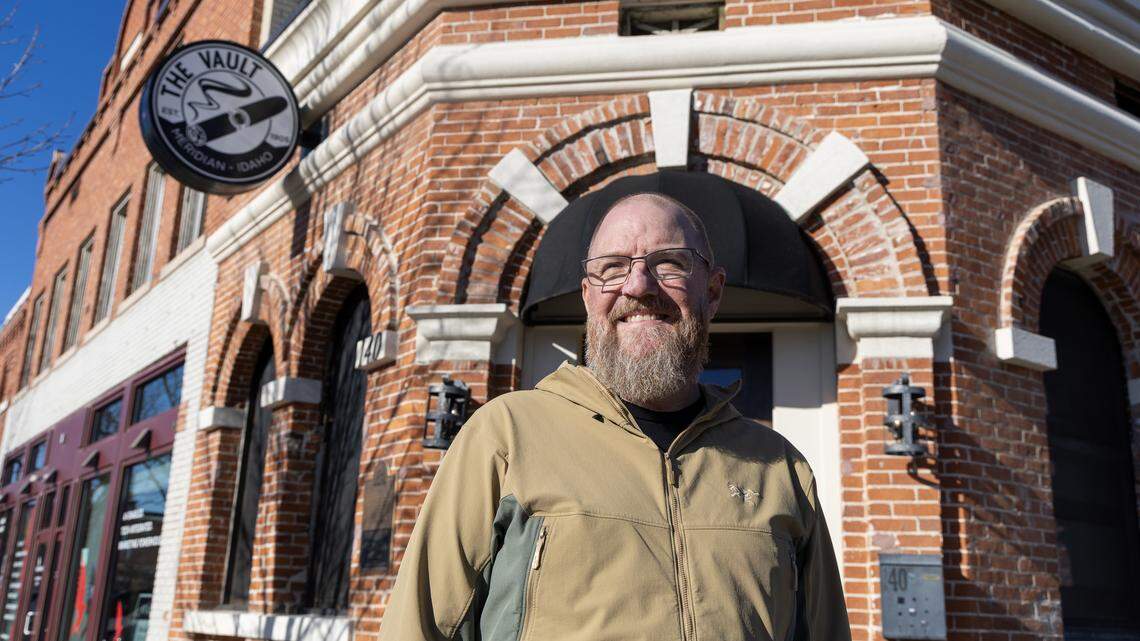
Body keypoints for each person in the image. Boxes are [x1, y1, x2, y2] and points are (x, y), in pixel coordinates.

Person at [379, 192, 851, 641]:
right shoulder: (505, 438)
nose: (638, 286)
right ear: (588, 296)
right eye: (613, 268)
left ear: (712, 291)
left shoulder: (780, 469)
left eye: (669, 263)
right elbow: (418, 627)